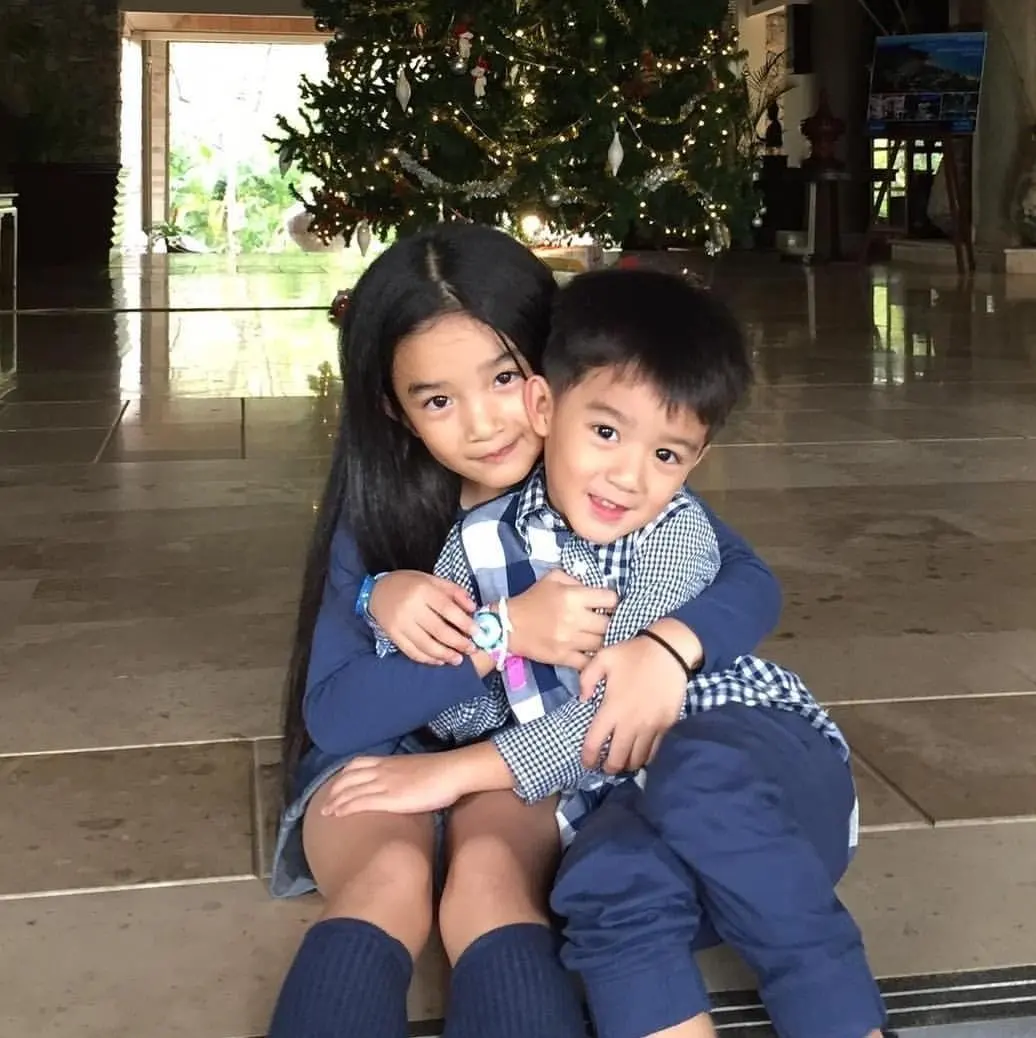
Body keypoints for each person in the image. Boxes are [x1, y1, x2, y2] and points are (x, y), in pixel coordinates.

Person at [321, 269, 889, 1038]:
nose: (628, 476)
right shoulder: (476, 542)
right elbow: (462, 711)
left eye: (667, 454)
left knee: (697, 774)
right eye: (607, 433)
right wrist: (411, 609)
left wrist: (452, 774)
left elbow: (606, 716)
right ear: (547, 406)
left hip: (752, 761)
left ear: (695, 460)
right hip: (622, 797)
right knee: (601, 885)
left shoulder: (673, 536)